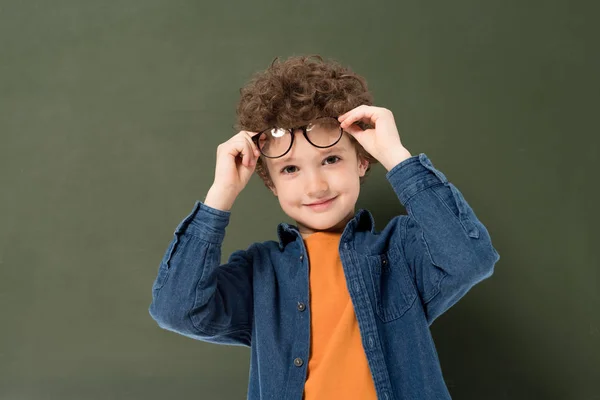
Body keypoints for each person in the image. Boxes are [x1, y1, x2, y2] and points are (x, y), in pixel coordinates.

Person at [149, 54, 500, 399]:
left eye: (331, 159)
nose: (315, 186)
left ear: (363, 160)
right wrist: (220, 194)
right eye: (290, 169)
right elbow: (177, 310)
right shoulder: (260, 273)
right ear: (271, 184)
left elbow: (471, 258)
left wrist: (395, 155)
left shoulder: (401, 251)